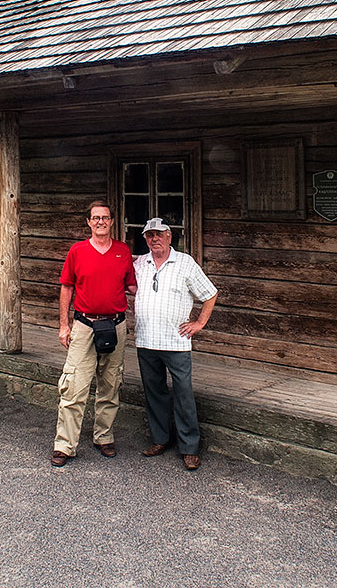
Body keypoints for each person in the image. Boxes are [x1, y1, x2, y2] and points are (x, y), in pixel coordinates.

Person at [51, 199, 137, 467]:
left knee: (110, 384)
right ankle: (65, 444)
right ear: (88, 222)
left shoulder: (123, 252)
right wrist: (64, 325)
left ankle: (104, 436)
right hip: (85, 326)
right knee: (74, 386)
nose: (101, 221)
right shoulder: (77, 251)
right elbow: (66, 288)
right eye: (96, 218)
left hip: (116, 326)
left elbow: (133, 287)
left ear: (112, 222)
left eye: (106, 217)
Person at [131, 217, 218, 471]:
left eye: (159, 234)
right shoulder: (140, 263)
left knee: (183, 394)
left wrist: (199, 323)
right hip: (146, 339)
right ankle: (159, 439)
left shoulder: (185, 263)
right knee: (154, 392)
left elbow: (210, 293)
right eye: (149, 235)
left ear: (169, 236)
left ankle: (189, 448)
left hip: (176, 342)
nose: (154, 239)